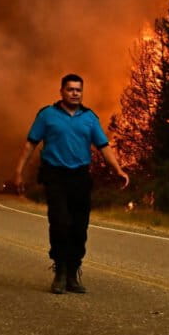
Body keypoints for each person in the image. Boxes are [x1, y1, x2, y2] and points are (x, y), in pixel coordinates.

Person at [15, 74, 128, 294]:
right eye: (70, 89)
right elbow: (30, 145)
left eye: (78, 90)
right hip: (55, 175)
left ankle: (73, 272)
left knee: (79, 226)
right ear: (61, 92)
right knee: (60, 222)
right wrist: (18, 172)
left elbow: (103, 147)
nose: (75, 93)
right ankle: (60, 271)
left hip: (80, 177)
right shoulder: (47, 115)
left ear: (82, 92)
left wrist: (118, 169)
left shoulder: (89, 118)